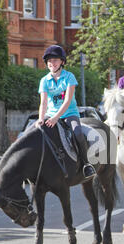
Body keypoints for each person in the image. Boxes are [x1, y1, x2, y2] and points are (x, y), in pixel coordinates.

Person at [36, 44, 96, 178]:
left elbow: (67, 100)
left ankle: (86, 164)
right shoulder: (44, 80)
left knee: (78, 133)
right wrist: (41, 118)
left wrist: (56, 117)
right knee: (37, 133)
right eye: (50, 60)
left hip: (69, 114)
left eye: (55, 60)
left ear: (62, 61)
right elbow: (43, 102)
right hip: (50, 115)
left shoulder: (69, 77)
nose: (52, 63)